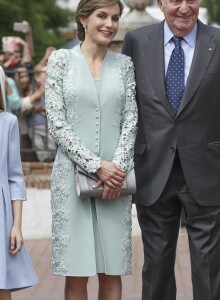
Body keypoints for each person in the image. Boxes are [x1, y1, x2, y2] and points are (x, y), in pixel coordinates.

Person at [122, 0, 220, 299]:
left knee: (209, 268)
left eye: (190, 0)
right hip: (153, 170)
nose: (183, 8)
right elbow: (125, 108)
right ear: (160, 4)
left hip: (209, 172)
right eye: (174, 0)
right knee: (156, 267)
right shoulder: (137, 41)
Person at [45, 1, 137, 299]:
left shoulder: (125, 65)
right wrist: (97, 166)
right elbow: (56, 122)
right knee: (76, 274)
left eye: (115, 18)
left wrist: (116, 172)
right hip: (70, 181)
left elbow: (131, 120)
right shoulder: (60, 61)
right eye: (102, 16)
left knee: (111, 272)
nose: (109, 24)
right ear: (83, 18)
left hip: (115, 182)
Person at [0, 66, 39, 299]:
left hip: (2, 217)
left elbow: (15, 176)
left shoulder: (8, 122)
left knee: (2, 285)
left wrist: (16, 226)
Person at [27, 64, 56, 162]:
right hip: (34, 124)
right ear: (37, 78)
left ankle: (53, 157)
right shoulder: (33, 89)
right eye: (45, 74)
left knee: (51, 142)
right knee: (38, 143)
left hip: (47, 124)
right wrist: (35, 107)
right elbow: (30, 103)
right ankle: (44, 159)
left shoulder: (53, 90)